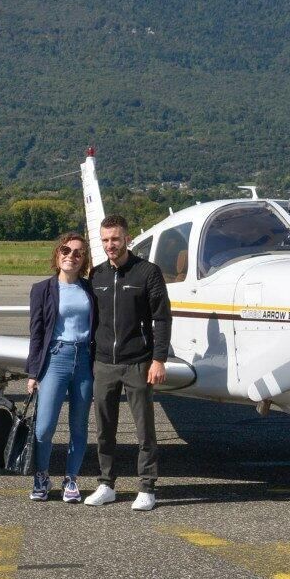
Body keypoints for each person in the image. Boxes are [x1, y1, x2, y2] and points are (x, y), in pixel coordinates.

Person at [85, 215, 173, 511]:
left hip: (138, 363)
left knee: (144, 429)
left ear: (128, 239)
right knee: (103, 429)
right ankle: (106, 483)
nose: (111, 245)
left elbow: (161, 318)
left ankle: (147, 487)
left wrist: (158, 359)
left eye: (116, 239)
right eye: (106, 240)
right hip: (104, 364)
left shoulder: (147, 273)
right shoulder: (95, 276)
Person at [24, 232, 95, 502]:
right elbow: (37, 334)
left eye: (78, 253)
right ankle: (41, 475)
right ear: (57, 255)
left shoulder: (90, 289)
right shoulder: (42, 289)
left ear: (83, 259)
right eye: (66, 250)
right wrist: (33, 373)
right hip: (56, 358)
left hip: (85, 359)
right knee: (44, 427)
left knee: (79, 425)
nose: (71, 256)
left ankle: (71, 479)